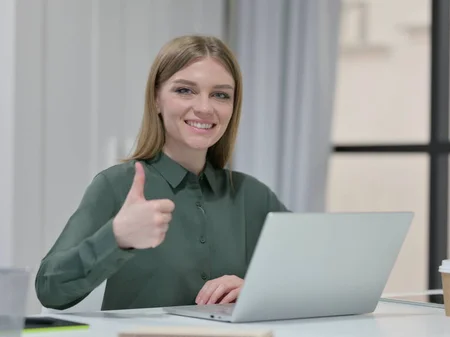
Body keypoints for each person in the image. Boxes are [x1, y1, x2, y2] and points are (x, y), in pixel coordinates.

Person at [35, 35, 289, 311]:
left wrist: (254, 288)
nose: (205, 108)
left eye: (220, 95)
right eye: (185, 90)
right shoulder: (116, 185)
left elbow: (312, 277)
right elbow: (50, 289)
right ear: (156, 99)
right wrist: (117, 237)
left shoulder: (252, 195)